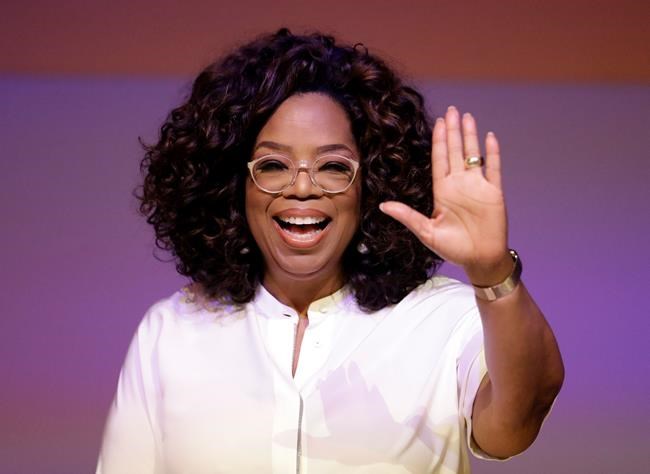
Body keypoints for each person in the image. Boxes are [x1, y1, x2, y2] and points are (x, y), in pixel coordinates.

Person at [97, 29, 564, 473]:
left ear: (370, 185)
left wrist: (492, 273)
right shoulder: (171, 332)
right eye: (273, 165)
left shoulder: (444, 317)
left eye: (334, 167)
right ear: (234, 186)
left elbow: (516, 422)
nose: (303, 187)